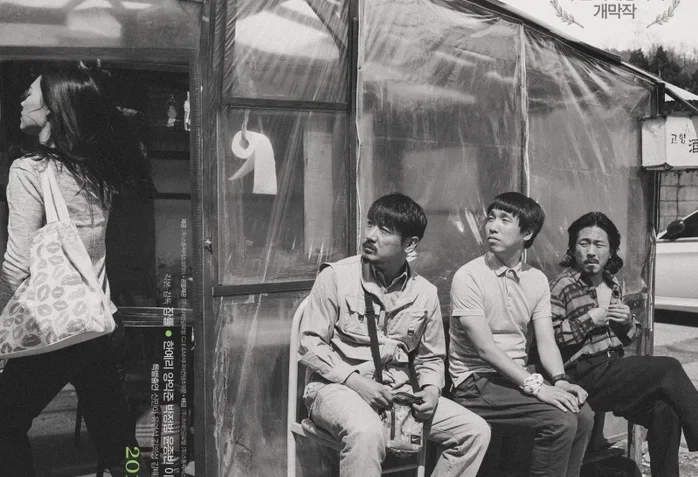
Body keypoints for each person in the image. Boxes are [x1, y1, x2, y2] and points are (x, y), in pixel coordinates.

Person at [0, 63, 150, 477]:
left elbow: (17, 263)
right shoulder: (95, 172)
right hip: (99, 323)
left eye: (30, 93)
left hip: (57, 331)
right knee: (117, 439)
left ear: (51, 106)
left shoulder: (28, 170)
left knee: (4, 423)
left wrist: (3, 326)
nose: (22, 100)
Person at [299, 193, 491, 477]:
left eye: (384, 230)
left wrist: (431, 390)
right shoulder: (336, 277)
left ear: (410, 244)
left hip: (397, 395)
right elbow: (310, 345)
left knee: (474, 431)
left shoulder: (425, 293)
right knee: (366, 430)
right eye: (370, 224)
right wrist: (357, 383)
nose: (370, 236)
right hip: (335, 388)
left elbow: (431, 358)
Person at [450, 192, 594, 477]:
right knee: (560, 421)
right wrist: (538, 388)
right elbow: (485, 349)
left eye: (504, 220)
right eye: (491, 218)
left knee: (584, 415)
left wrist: (560, 380)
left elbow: (546, 341)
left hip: (515, 378)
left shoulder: (536, 279)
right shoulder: (468, 276)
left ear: (527, 233)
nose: (492, 227)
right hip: (475, 382)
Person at [550, 211, 698, 477]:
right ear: (573, 248)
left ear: (611, 251)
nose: (591, 252)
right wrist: (589, 319)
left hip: (611, 370)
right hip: (581, 374)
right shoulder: (562, 286)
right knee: (668, 368)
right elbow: (550, 337)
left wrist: (627, 321)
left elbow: (629, 336)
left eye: (599, 244)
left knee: (665, 412)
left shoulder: (612, 283)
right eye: (584, 243)